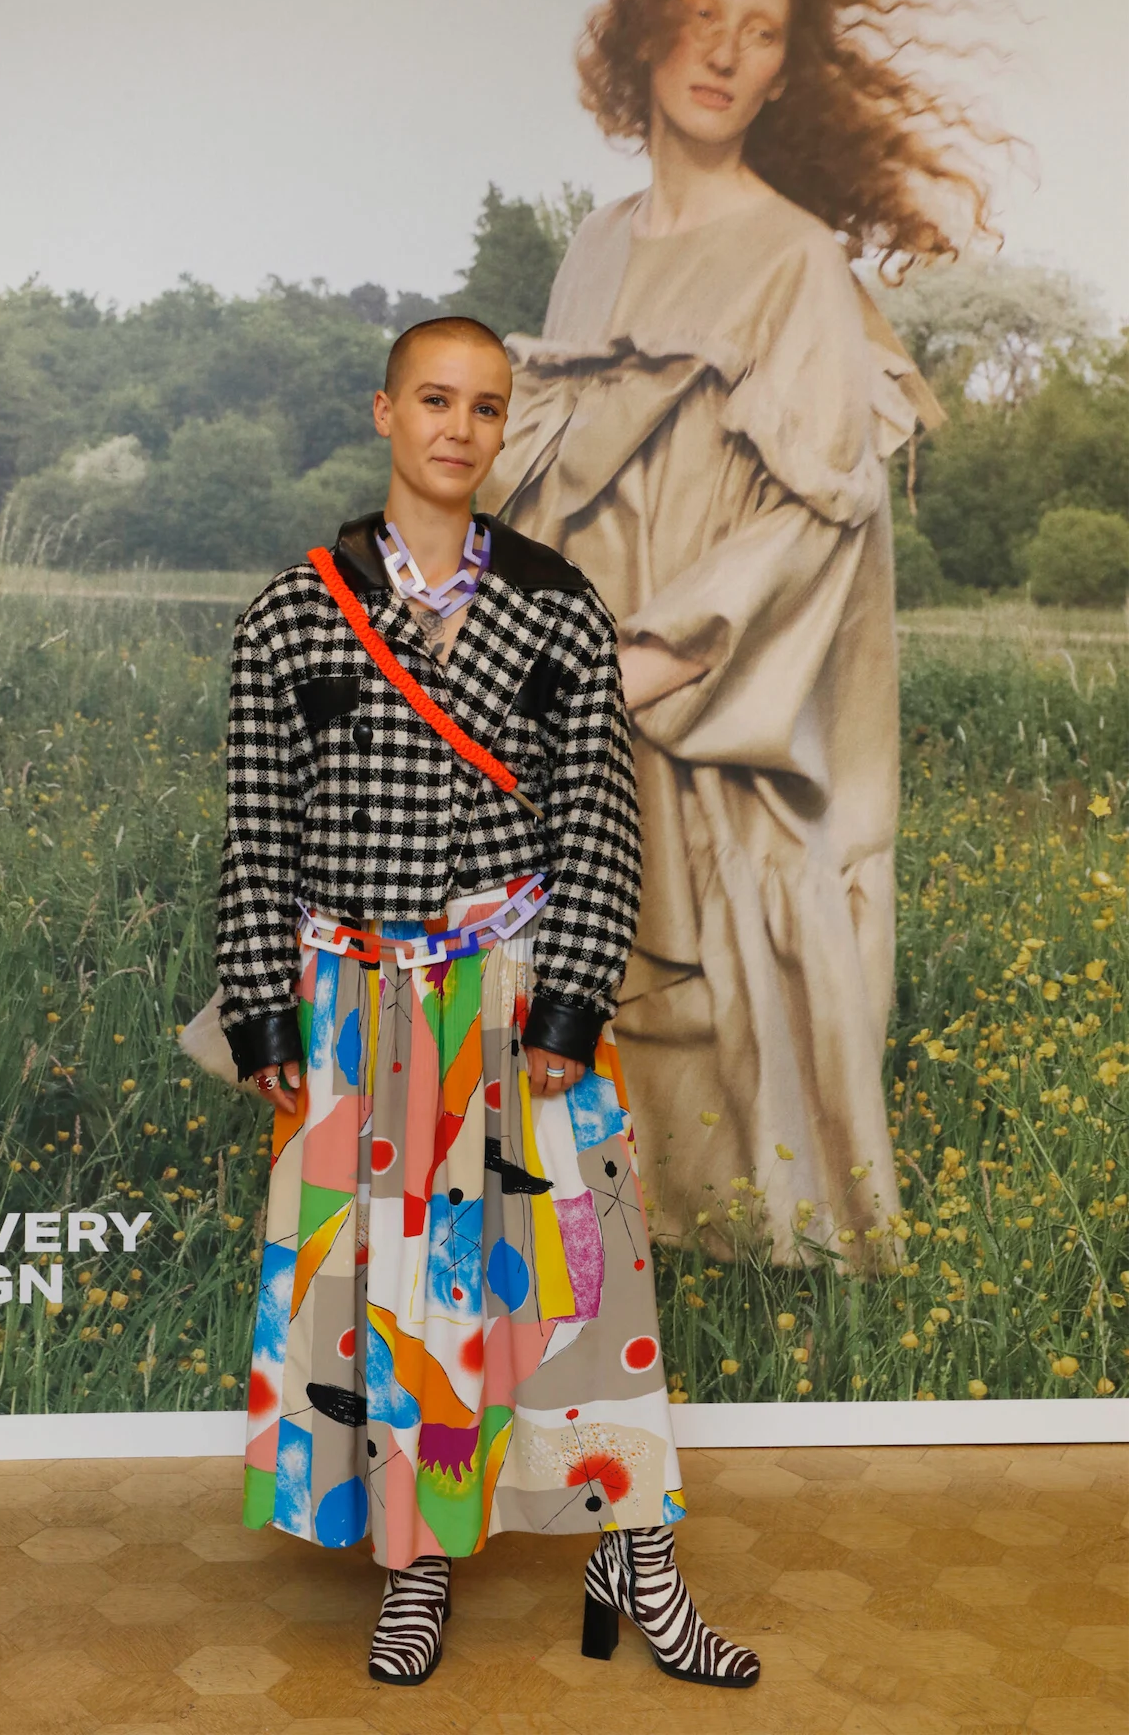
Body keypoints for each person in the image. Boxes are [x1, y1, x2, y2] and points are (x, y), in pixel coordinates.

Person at [213, 316, 760, 1689]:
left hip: (518, 1001)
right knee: (398, 1303)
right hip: (354, 1009)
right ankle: (416, 1567)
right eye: (435, 400)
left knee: (588, 1289)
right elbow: (256, 833)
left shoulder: (557, 604)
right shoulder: (293, 612)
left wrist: (571, 1002)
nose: (460, 428)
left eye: (486, 407)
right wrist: (265, 1014)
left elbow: (600, 821)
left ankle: (641, 1563)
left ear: (504, 427)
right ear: (385, 411)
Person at [479, 0, 1003, 1257]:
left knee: (705, 959)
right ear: (646, 35)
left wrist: (642, 667)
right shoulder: (595, 245)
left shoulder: (795, 258)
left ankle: (738, 1265)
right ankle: (574, 1241)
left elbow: (815, 514)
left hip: (696, 677)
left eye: (760, 33)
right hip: (574, 654)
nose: (723, 51)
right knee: (557, 945)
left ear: (783, 78)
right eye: (703, 16)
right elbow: (547, 474)